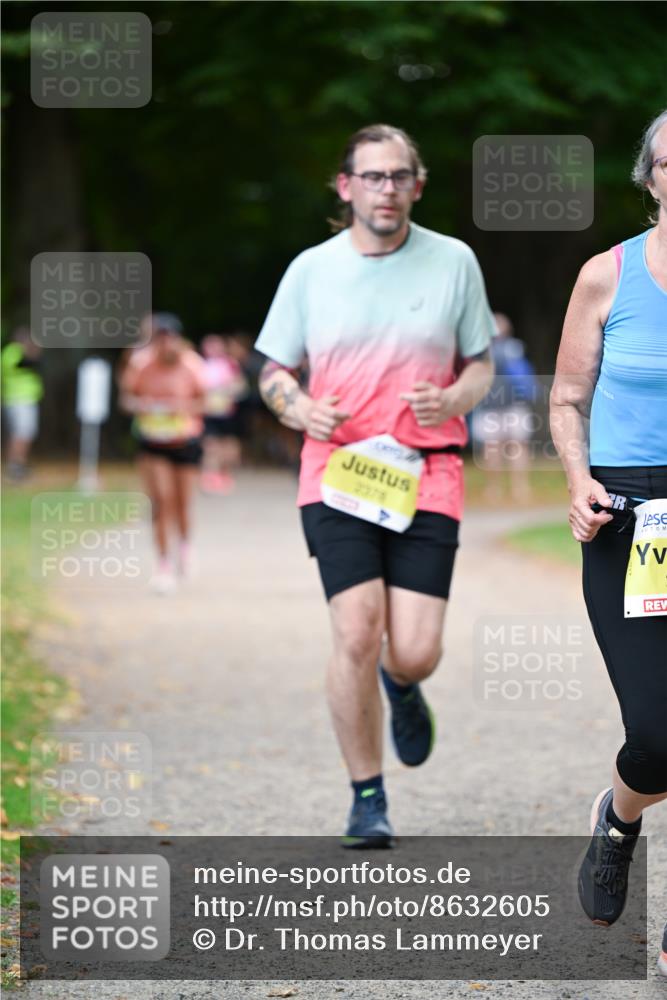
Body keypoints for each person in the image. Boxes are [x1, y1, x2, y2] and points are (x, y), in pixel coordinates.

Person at [256, 124, 495, 847]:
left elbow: (479, 365)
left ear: (416, 186)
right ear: (345, 186)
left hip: (427, 471)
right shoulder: (310, 270)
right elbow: (271, 371)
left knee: (414, 649)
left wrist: (452, 400)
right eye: (371, 176)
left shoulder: (453, 261)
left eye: (398, 177)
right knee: (355, 629)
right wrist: (298, 408)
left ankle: (402, 684)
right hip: (337, 472)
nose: (384, 189)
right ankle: (366, 795)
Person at [550, 109, 667, 926]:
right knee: (659, 734)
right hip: (628, 523)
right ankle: (618, 820)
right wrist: (576, 479)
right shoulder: (606, 275)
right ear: (649, 177)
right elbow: (565, 398)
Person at [119, 312, 206, 593]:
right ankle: (163, 563)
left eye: (170, 338)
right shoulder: (141, 364)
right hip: (153, 442)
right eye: (160, 339)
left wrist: (181, 409)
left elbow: (206, 401)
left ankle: (184, 545)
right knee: (160, 502)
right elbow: (126, 399)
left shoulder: (192, 365)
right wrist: (146, 405)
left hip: (184, 442)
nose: (166, 344)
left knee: (182, 503)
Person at [471, 312, 538, 504]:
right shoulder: (513, 349)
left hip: (502, 406)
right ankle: (513, 488)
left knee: (505, 447)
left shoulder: (482, 351)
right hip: (501, 406)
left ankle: (505, 488)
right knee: (505, 447)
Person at [199, 334, 248, 494]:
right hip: (209, 412)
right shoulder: (201, 365)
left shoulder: (230, 364)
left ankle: (224, 473)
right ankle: (210, 476)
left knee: (228, 447)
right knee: (210, 445)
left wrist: (228, 391)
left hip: (227, 412)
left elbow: (241, 386)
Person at [1, 327, 43, 480]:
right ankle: (15, 466)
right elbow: (28, 363)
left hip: (20, 400)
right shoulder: (13, 352)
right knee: (21, 434)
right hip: (19, 400)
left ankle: (18, 464)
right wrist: (35, 349)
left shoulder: (12, 352)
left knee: (20, 434)